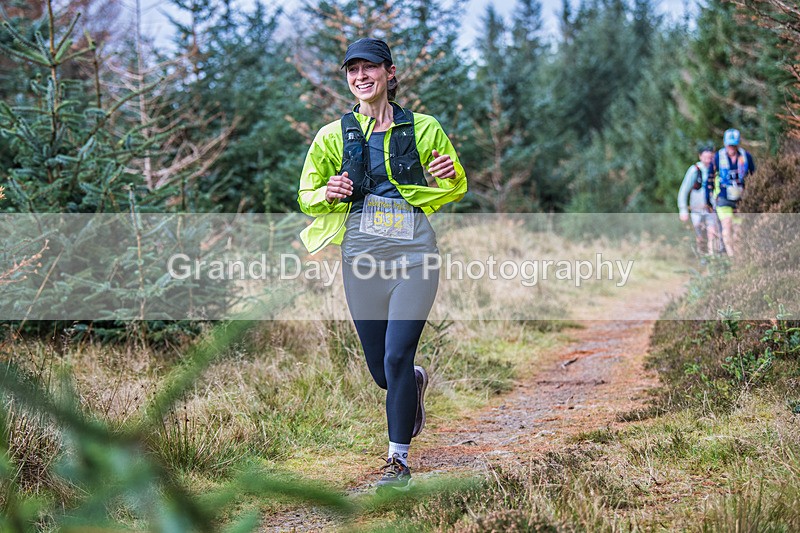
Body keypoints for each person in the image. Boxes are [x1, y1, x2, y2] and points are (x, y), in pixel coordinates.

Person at [297, 38, 467, 491]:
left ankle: (398, 463)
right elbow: (305, 194)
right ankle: (412, 382)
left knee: (396, 354)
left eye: (369, 68)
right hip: (361, 260)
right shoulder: (333, 136)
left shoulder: (424, 127)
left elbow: (454, 183)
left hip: (415, 256)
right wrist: (326, 193)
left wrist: (449, 177)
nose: (360, 77)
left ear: (389, 73)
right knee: (382, 370)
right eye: (352, 70)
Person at [707, 128, 755, 257]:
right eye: (729, 145)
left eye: (734, 145)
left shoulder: (746, 156)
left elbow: (754, 175)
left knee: (738, 230)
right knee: (726, 227)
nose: (731, 148)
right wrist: (709, 197)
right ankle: (731, 257)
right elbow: (710, 177)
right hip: (723, 198)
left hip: (742, 199)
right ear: (725, 143)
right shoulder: (718, 157)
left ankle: (739, 257)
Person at [677, 145, 719, 257]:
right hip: (696, 210)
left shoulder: (716, 169)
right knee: (700, 236)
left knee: (712, 233)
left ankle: (712, 259)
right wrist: (683, 209)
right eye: (705, 157)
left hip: (711, 209)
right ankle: (703, 258)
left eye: (710, 158)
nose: (708, 160)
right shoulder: (694, 170)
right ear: (700, 156)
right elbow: (684, 190)